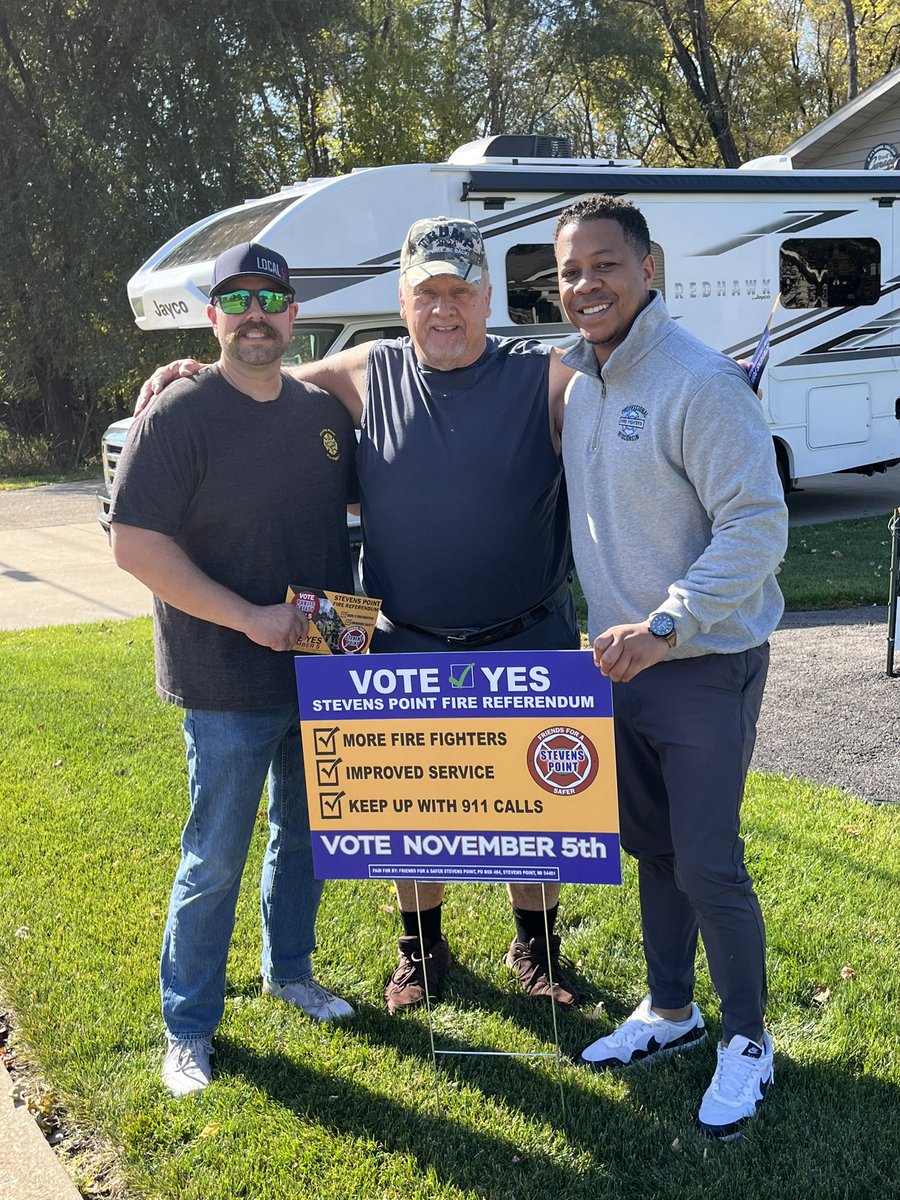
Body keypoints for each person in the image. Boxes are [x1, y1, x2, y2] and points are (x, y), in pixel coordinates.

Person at [138, 217, 583, 1016]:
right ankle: (420, 951)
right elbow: (262, 371)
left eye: (459, 292)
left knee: (535, 811)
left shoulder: (541, 377)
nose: (443, 309)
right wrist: (192, 370)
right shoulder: (367, 371)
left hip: (529, 635)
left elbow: (618, 405)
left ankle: (536, 946)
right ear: (402, 300)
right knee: (415, 812)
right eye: (426, 293)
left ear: (487, 296)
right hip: (403, 638)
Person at [553, 194, 788, 1139]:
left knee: (708, 862)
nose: (586, 285)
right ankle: (671, 1010)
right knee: (652, 852)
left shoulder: (701, 381)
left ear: (650, 269)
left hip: (700, 663)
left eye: (604, 264)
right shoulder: (578, 382)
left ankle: (749, 1041)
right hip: (622, 668)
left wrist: (665, 624)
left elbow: (758, 525)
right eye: (570, 271)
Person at [110, 241, 358, 1097]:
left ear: (294, 316)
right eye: (237, 299)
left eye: (272, 299)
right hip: (221, 678)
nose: (257, 314)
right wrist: (250, 618)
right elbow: (135, 546)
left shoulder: (323, 414)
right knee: (213, 854)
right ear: (212, 316)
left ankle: (289, 971)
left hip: (324, 667)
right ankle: (188, 1027)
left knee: (308, 836)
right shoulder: (177, 412)